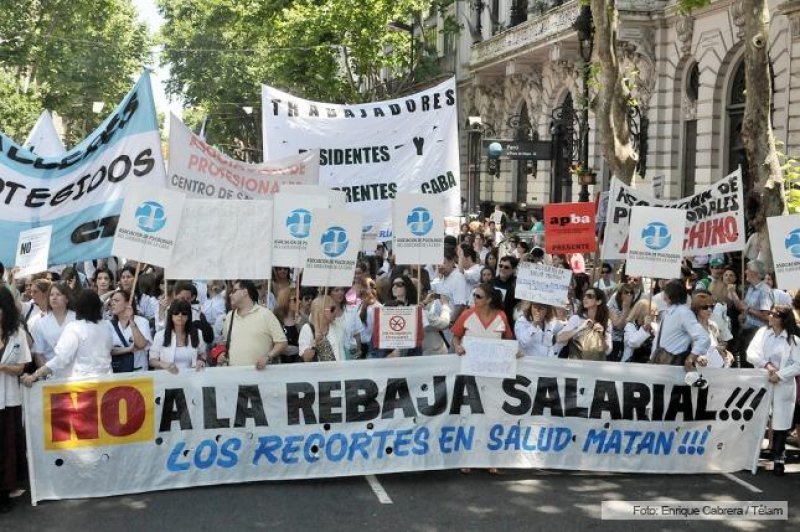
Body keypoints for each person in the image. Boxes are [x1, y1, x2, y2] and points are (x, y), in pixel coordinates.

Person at [746, 305, 800, 475]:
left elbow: (798, 364)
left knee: (781, 423)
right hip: (762, 381)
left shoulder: (794, 341)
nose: (770, 316)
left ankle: (778, 457)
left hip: (783, 385)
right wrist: (766, 365)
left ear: (783, 319)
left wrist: (781, 375)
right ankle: (750, 456)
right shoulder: (762, 333)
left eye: (775, 314)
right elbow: (751, 353)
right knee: (757, 418)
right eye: (770, 313)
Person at [23, 291, 113, 383]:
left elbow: (62, 359)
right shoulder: (106, 326)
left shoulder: (75, 327)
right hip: (105, 381)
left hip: (82, 385)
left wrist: (36, 375)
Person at [0, 286, 31, 513]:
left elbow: (21, 367)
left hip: (9, 397)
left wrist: (2, 366)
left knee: (6, 446)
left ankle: (4, 492)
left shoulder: (17, 332)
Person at [220, 280, 287, 369]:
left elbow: (282, 342)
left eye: (234, 291)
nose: (230, 295)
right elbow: (225, 344)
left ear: (245, 292)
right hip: (234, 377)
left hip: (259, 377)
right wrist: (221, 355)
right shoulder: (229, 317)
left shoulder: (266, 314)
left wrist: (268, 357)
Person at [651, 280, 711, 370]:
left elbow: (704, 338)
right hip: (661, 366)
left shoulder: (684, 313)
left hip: (674, 367)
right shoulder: (669, 313)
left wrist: (690, 358)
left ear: (668, 295)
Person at [731, 259, 773, 368]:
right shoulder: (751, 288)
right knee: (744, 365)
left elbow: (766, 316)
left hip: (757, 333)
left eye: (748, 269)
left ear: (755, 272)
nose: (745, 272)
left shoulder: (765, 291)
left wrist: (748, 309)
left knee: (750, 366)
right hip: (745, 331)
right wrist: (743, 315)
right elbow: (744, 307)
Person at [451, 283, 513, 354]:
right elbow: (456, 337)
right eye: (474, 295)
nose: (474, 298)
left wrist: (513, 350)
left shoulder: (501, 316)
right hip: (470, 361)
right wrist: (457, 346)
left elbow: (508, 339)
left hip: (493, 362)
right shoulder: (467, 314)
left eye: (478, 296)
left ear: (488, 300)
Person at [150, 299, 207, 373]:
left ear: (188, 316)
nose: (180, 316)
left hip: (191, 378)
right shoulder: (160, 335)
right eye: (176, 313)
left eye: (184, 313)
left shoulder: (198, 333)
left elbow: (202, 353)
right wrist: (163, 364)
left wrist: (201, 361)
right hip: (166, 378)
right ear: (171, 316)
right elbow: (152, 361)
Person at [556, 287, 612, 361]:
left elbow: (608, 351)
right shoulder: (576, 318)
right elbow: (559, 338)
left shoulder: (607, 322)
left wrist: (601, 336)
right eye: (584, 296)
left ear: (598, 301)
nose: (585, 298)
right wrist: (579, 328)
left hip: (596, 365)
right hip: (576, 364)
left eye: (589, 296)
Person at [30, 282, 76, 372]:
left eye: (58, 294)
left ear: (66, 299)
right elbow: (38, 353)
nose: (54, 298)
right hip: (51, 373)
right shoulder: (41, 322)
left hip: (75, 372)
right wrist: (47, 373)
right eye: (51, 295)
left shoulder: (76, 318)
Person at [106, 289, 152, 373]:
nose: (112, 303)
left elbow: (141, 345)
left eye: (116, 301)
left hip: (138, 372)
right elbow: (107, 350)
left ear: (128, 303)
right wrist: (128, 349)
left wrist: (131, 320)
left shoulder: (142, 321)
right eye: (111, 301)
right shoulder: (108, 324)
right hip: (116, 373)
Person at [693, 292, 734, 368]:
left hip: (717, 369)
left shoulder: (713, 326)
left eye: (711, 306)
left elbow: (717, 346)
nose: (709, 310)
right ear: (696, 308)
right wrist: (697, 358)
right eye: (705, 307)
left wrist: (727, 353)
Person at [299, 295, 342, 362]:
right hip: (319, 371)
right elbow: (306, 358)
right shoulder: (307, 329)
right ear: (321, 310)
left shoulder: (336, 325)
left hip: (338, 370)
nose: (335, 312)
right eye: (332, 309)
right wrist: (315, 342)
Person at [622, 299, 658, 363]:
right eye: (653, 311)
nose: (655, 313)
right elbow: (632, 343)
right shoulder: (630, 326)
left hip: (649, 364)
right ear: (643, 312)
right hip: (631, 363)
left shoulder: (655, 327)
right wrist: (644, 330)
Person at [272, 286, 301, 363]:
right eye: (295, 299)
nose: (299, 302)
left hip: (298, 362)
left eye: (299, 298)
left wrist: (300, 325)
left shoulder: (303, 318)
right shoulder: (276, 318)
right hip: (279, 362)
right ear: (286, 301)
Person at [492, 255, 519, 327]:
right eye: (500, 266)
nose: (502, 269)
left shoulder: (518, 285)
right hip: (491, 322)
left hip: (508, 324)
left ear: (514, 269)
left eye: (506, 267)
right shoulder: (491, 282)